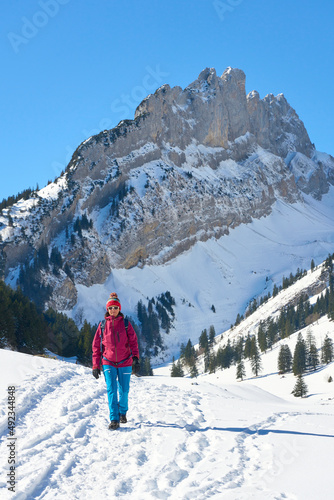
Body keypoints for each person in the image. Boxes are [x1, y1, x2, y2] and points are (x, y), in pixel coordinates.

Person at [92, 292, 140, 430]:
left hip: (125, 362)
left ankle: (123, 411)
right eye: (110, 308)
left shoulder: (126, 324)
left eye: (115, 307)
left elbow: (133, 341)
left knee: (124, 390)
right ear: (107, 310)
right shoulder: (102, 325)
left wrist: (135, 358)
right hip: (108, 361)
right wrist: (96, 365)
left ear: (119, 309)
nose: (113, 310)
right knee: (112, 390)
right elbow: (96, 346)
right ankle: (114, 419)